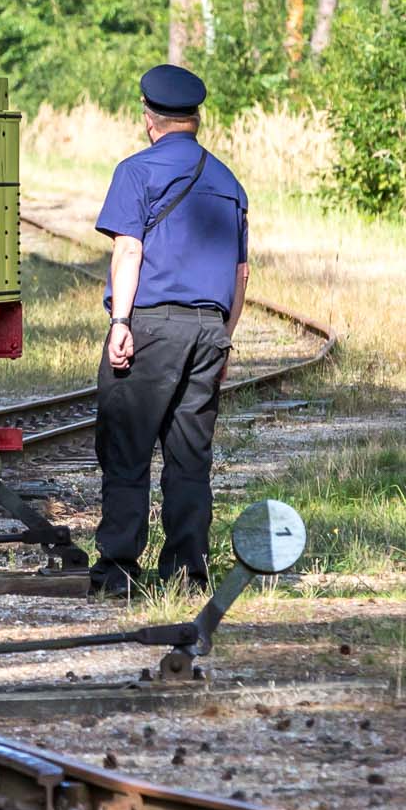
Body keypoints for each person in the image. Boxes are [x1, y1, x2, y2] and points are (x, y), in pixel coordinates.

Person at [89, 63, 251, 597]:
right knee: (188, 458)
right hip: (209, 329)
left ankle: (118, 571)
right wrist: (224, 337)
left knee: (127, 449)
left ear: (148, 117)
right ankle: (186, 573)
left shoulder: (136, 172)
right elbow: (240, 273)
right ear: (195, 119)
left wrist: (120, 322)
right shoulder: (229, 182)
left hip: (152, 327)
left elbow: (129, 249)